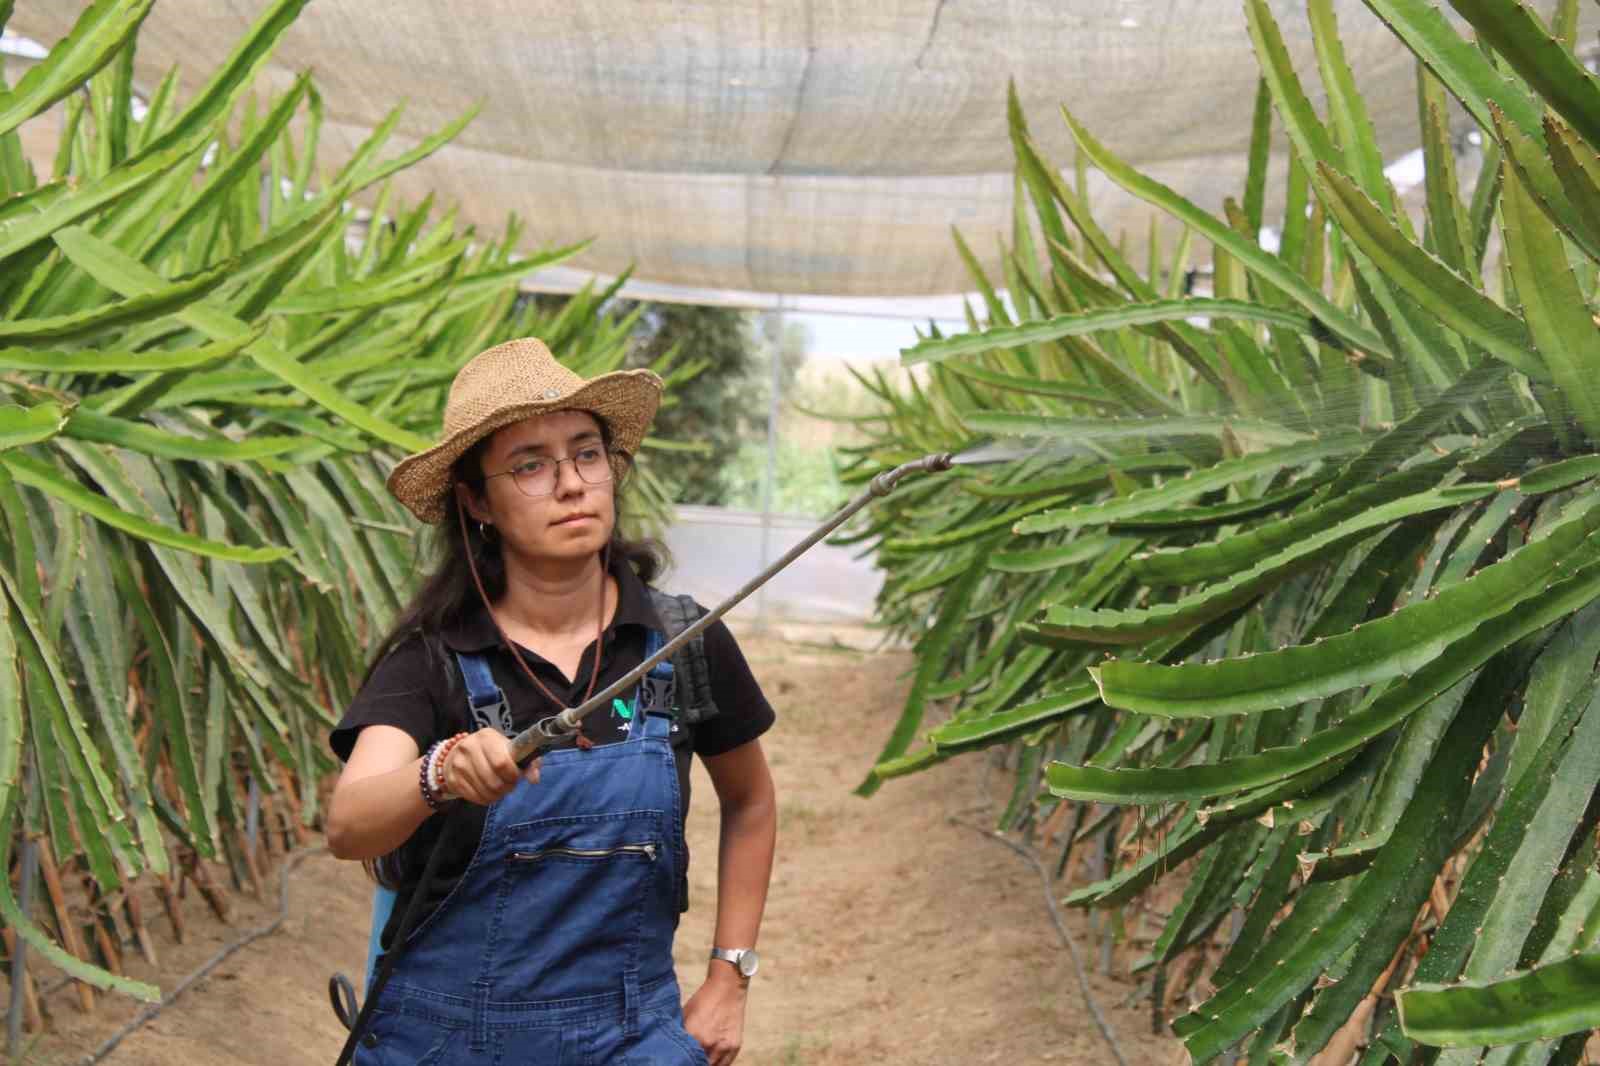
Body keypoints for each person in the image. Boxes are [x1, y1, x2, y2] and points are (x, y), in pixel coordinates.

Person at [325, 337, 777, 1066]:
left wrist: (731, 975)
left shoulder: (679, 643)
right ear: (476, 501)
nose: (571, 484)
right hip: (442, 1042)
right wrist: (437, 773)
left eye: (586, 454)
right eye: (530, 465)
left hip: (628, 1037)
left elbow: (750, 801)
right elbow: (349, 825)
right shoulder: (434, 660)